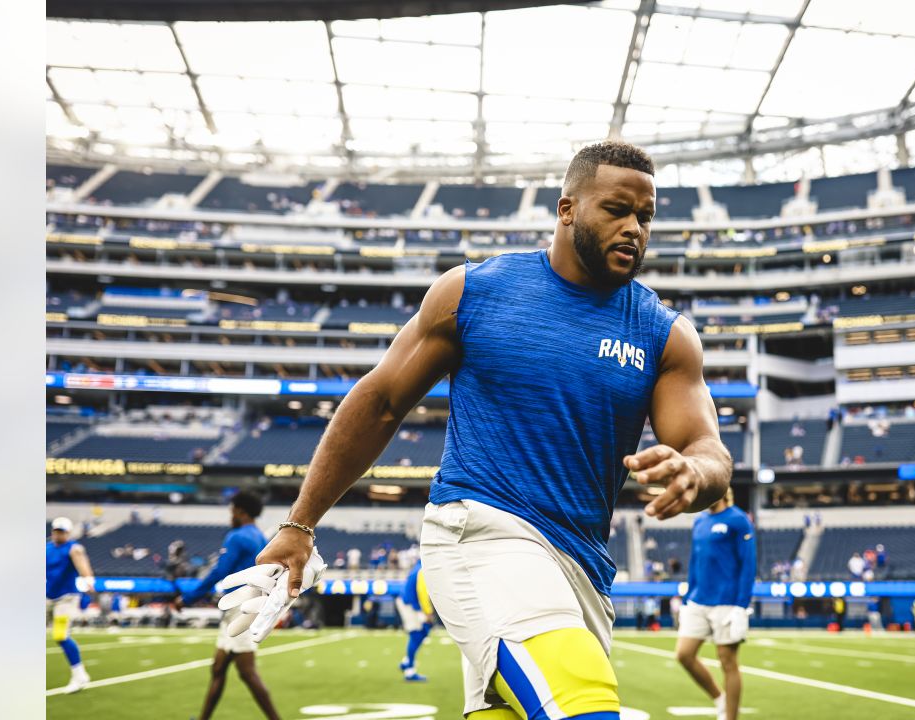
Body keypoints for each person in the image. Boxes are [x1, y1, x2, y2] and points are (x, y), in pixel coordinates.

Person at [247, 141, 732, 720]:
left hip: (583, 565)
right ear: (567, 209)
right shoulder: (472, 292)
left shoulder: (664, 334)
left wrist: (695, 469)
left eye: (645, 217)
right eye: (617, 210)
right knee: (583, 703)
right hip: (480, 531)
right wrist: (300, 524)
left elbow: (708, 449)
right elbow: (378, 401)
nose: (633, 228)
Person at [173, 492, 278, 720]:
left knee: (247, 672)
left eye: (232, 510)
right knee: (218, 668)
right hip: (249, 603)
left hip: (239, 606)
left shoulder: (237, 536)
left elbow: (220, 571)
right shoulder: (260, 537)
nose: (230, 515)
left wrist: (189, 597)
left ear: (241, 511)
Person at [675, 488, 756, 720]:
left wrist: (741, 605)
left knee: (727, 660)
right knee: (684, 654)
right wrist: (687, 597)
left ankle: (730, 716)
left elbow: (748, 564)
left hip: (727, 602)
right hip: (698, 600)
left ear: (720, 492)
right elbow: (695, 562)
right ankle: (720, 699)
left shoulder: (739, 520)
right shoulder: (699, 520)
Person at [47, 516, 96, 693]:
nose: (58, 534)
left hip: (66, 598)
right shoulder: (47, 548)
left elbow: (82, 564)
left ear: (67, 533)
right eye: (56, 531)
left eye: (62, 531)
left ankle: (79, 674)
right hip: (47, 596)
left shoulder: (73, 548)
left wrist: (89, 580)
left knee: (60, 635)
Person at [396, 559, 434, 682]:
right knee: (416, 634)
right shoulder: (422, 569)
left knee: (423, 631)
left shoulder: (419, 567)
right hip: (410, 605)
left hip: (411, 604)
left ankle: (407, 662)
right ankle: (409, 671)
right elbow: (422, 592)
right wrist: (427, 612)